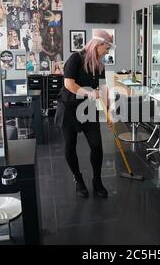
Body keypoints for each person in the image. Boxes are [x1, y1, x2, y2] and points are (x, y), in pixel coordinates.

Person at [54, 30, 115, 198]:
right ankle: (78, 179)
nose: (108, 52)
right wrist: (88, 93)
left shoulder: (99, 65)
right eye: (107, 48)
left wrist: (109, 112)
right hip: (69, 108)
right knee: (70, 146)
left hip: (87, 109)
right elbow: (68, 84)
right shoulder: (75, 58)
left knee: (96, 146)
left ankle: (97, 181)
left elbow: (103, 89)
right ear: (99, 45)